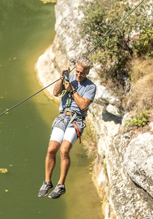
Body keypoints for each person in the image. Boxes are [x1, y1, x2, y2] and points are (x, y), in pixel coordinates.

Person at [38, 57, 96, 199]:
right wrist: (61, 78)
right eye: (77, 72)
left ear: (87, 72)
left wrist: (73, 90)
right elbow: (56, 92)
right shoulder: (69, 79)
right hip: (63, 117)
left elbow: (83, 105)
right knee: (51, 149)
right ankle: (47, 182)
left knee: (64, 150)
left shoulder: (91, 87)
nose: (78, 75)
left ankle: (61, 185)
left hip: (76, 119)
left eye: (81, 73)